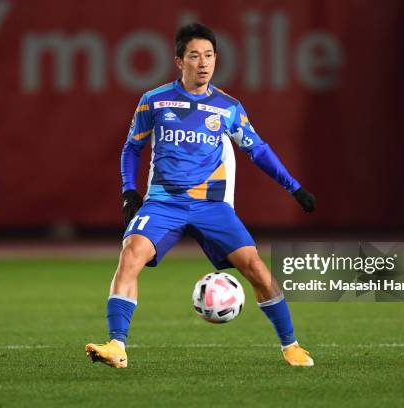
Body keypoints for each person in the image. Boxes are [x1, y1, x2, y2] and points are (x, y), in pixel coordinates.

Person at [86, 23, 316, 368]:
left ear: (216, 60)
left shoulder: (227, 107)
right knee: (130, 255)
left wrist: (294, 187)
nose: (203, 62)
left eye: (209, 55)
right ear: (179, 61)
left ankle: (292, 346)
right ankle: (117, 345)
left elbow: (259, 150)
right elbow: (132, 148)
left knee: (255, 268)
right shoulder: (154, 100)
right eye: (195, 55)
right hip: (165, 203)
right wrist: (129, 191)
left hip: (211, 206)